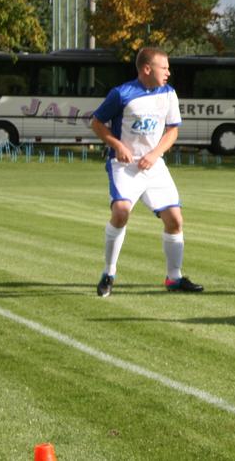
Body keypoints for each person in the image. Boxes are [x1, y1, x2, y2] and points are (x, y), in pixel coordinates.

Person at [90, 47, 203, 297]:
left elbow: (173, 130)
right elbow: (96, 123)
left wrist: (154, 154)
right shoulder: (121, 94)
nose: (169, 73)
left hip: (154, 166)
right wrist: (118, 145)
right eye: (164, 67)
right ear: (147, 69)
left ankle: (174, 278)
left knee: (175, 219)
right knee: (120, 213)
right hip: (125, 167)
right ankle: (108, 273)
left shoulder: (169, 94)